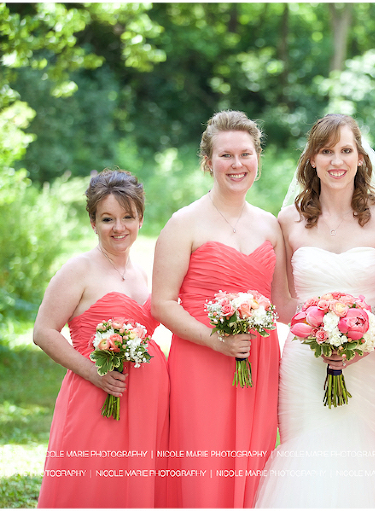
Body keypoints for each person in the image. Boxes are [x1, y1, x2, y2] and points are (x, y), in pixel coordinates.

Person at [254, 114, 375, 508]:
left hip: (369, 360)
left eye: (346, 150)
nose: (336, 161)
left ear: (361, 158)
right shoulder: (288, 221)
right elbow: (282, 302)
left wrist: (363, 339)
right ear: (311, 159)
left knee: (365, 462)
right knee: (304, 459)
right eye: (326, 151)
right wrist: (317, 332)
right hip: (305, 362)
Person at [151, 110, 290, 508]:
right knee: (203, 462)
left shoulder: (269, 225)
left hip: (259, 359)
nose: (237, 164)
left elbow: (281, 304)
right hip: (201, 360)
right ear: (207, 162)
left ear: (258, 159)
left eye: (246, 154)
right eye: (226, 156)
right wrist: (214, 341)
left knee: (255, 458)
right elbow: (162, 303)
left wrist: (331, 319)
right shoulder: (184, 224)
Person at [34, 169, 169, 508]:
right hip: (95, 396)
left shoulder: (142, 273)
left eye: (128, 217)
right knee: (93, 484)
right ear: (93, 222)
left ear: (140, 219)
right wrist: (94, 373)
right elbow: (43, 331)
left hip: (144, 401)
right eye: (108, 218)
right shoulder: (79, 269)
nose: (119, 227)